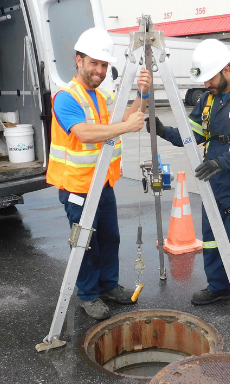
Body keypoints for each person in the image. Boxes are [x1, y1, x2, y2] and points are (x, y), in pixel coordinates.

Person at [149, 39, 230, 326]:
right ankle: (219, 288)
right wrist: (164, 131)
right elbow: (193, 136)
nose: (206, 85)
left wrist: (221, 162)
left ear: (226, 69)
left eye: (210, 78)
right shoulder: (208, 99)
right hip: (212, 182)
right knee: (212, 239)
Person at [47, 27, 152, 320]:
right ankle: (88, 294)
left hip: (102, 183)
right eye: (94, 63)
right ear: (78, 60)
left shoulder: (104, 96)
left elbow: (129, 116)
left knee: (109, 238)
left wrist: (142, 93)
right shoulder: (66, 97)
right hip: (77, 188)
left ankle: (107, 286)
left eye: (104, 65)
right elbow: (83, 133)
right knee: (85, 243)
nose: (100, 70)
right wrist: (125, 127)